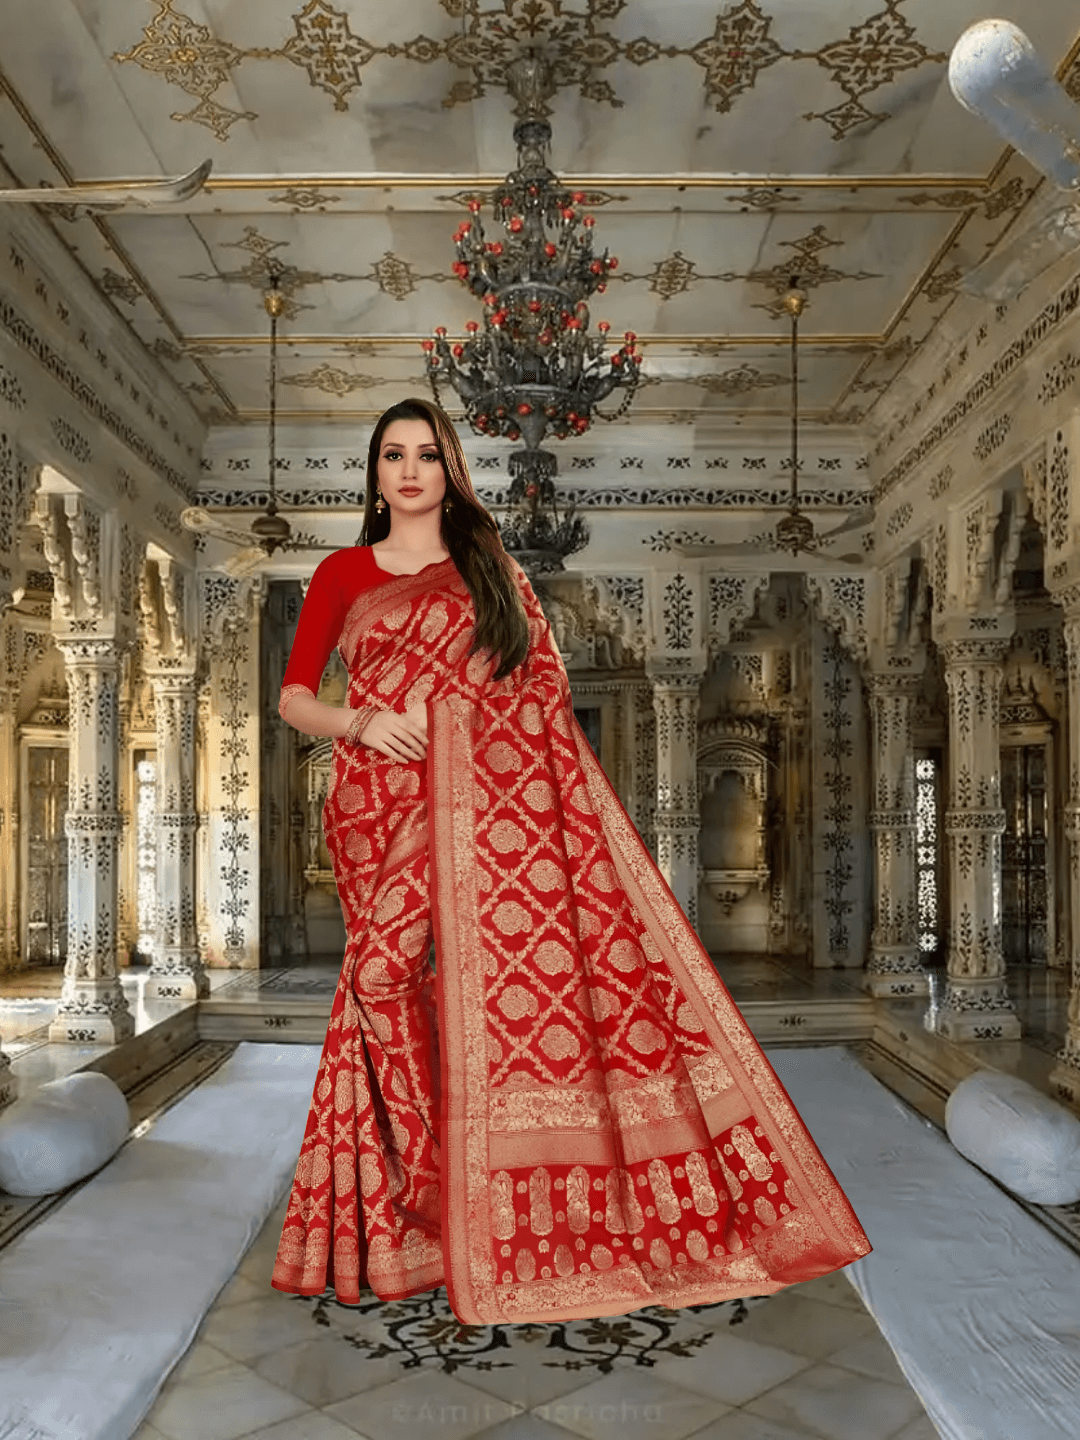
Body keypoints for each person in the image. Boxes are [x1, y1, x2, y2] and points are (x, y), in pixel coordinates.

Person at [271, 396, 871, 1324]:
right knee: (387, 982)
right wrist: (362, 720)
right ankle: (426, 1193)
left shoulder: (488, 570)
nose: (408, 471)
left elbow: (538, 685)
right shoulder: (343, 572)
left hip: (475, 805)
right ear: (374, 470)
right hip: (368, 801)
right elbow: (295, 700)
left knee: (408, 976)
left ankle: (444, 1184)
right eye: (392, 455)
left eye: (426, 455)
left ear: (450, 469)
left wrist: (453, 728)